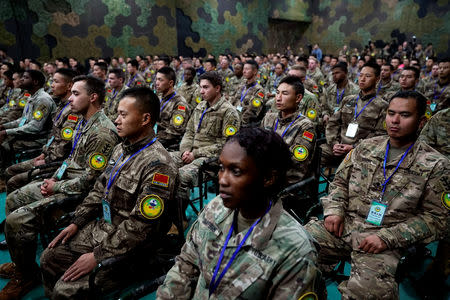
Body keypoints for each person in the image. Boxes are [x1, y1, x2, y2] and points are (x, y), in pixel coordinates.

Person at [305, 90, 449, 299]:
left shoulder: (436, 164)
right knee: (293, 249)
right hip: (345, 225)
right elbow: (339, 182)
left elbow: (437, 219)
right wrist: (334, 210)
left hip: (385, 241)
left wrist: (388, 238)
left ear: (421, 121)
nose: (395, 120)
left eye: (405, 115)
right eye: (391, 113)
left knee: (366, 294)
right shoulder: (365, 147)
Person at [39, 87, 178, 299]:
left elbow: (141, 226)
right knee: (49, 257)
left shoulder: (159, 165)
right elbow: (99, 189)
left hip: (132, 248)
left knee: (65, 290)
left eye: (123, 115)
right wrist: (77, 221)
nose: (116, 120)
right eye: (117, 114)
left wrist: (97, 256)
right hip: (102, 228)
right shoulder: (121, 149)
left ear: (145, 119)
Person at [157, 127, 323, 299]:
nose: (222, 179)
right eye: (222, 168)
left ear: (268, 178)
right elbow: (186, 265)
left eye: (236, 171)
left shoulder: (295, 250)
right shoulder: (215, 208)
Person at [0, 75, 119, 299]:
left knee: (17, 219)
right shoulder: (83, 121)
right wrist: (53, 180)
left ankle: (26, 276)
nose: (70, 99)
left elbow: (91, 182)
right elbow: (70, 160)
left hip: (78, 195)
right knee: (13, 198)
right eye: (71, 93)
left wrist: (56, 188)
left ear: (93, 97)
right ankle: (22, 265)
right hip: (63, 183)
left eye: (76, 94)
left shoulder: (102, 133)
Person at [170, 71, 240, 217]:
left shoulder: (229, 112)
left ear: (217, 88)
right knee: (162, 162)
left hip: (212, 161)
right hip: (190, 153)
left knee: (181, 176)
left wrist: (195, 154)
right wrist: (185, 151)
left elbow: (226, 145)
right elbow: (189, 132)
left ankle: (178, 219)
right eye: (201, 87)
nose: (201, 91)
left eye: (206, 87)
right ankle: (166, 213)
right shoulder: (200, 107)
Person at [5, 68, 79, 193]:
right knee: (10, 171)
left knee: (12, 176)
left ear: (69, 86)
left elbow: (65, 144)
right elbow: (54, 135)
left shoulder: (69, 110)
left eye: (55, 81)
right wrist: (44, 153)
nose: (51, 85)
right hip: (48, 152)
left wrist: (47, 160)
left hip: (50, 154)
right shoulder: (61, 105)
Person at [321, 62, 388, 166]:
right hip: (339, 146)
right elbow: (333, 123)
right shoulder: (348, 100)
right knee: (315, 153)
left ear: (377, 79)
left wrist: (354, 147)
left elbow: (379, 135)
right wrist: (335, 143)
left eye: (368, 76)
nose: (362, 79)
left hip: (362, 151)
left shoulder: (382, 106)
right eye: (361, 75)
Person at [261, 76, 316, 184]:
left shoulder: (305, 127)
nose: (278, 98)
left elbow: (296, 167)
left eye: (285, 94)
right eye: (277, 93)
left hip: (283, 183)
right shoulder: (269, 118)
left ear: (298, 98)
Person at [0, 70, 56, 169]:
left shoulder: (43, 99)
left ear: (35, 82)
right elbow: (23, 119)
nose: (21, 79)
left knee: (5, 143)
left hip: (39, 138)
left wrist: (7, 132)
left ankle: (7, 170)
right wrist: (4, 126)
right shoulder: (32, 96)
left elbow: (35, 127)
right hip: (30, 134)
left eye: (25, 78)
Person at [155, 66, 190, 149]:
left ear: (170, 83)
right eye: (156, 79)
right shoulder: (159, 97)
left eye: (160, 80)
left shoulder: (180, 104)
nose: (157, 83)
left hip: (167, 144)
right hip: (155, 138)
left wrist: (153, 138)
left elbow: (174, 132)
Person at [229, 60, 265, 126]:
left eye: (247, 69)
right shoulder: (242, 85)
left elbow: (253, 111)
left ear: (254, 71)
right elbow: (232, 99)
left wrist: (238, 121)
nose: (244, 71)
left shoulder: (259, 90)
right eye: (243, 69)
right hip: (233, 118)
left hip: (245, 124)